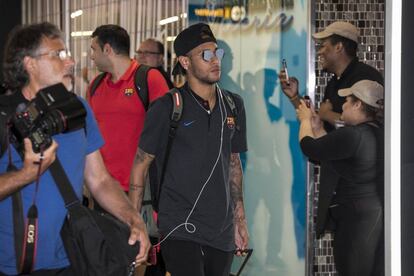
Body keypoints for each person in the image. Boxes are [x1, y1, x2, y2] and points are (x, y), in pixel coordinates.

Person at [0, 22, 150, 275]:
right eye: (58, 55)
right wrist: (26, 174)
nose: (70, 62)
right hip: (12, 265)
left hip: (72, 258)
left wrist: (132, 218)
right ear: (30, 64)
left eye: (68, 54)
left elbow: (100, 180)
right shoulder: (4, 114)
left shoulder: (78, 109)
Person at [129, 23, 249, 276]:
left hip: (221, 229)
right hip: (179, 227)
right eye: (206, 55)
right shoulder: (167, 107)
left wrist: (240, 221)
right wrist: (135, 223)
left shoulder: (233, 105)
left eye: (218, 53)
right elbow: (140, 165)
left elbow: (233, 163)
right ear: (185, 61)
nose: (216, 60)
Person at [296, 79, 384, 276]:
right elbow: (333, 153)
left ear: (358, 104)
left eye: (347, 100)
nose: (342, 105)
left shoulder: (353, 135)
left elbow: (310, 147)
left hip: (355, 224)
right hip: (369, 217)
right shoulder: (376, 133)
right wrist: (317, 128)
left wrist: (304, 120)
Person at [88, 25, 170, 196]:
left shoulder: (149, 79)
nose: (91, 56)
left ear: (107, 49)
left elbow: (167, 133)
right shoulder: (95, 86)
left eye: (93, 49)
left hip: (141, 191)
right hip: (103, 191)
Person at [279, 21, 383, 131]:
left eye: (323, 46)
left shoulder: (365, 78)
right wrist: (294, 96)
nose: (319, 52)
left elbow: (366, 128)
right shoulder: (333, 82)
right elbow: (318, 123)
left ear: (338, 47)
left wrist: (327, 114)